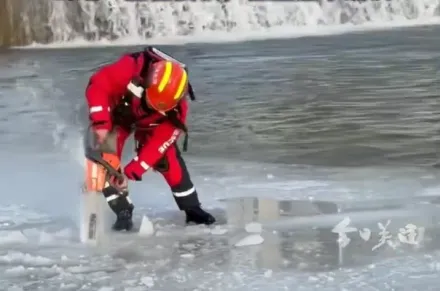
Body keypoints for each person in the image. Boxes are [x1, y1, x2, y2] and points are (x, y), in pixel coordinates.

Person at [84, 46, 216, 231]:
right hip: (117, 116)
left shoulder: (177, 112)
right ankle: (122, 211)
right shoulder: (129, 68)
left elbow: (159, 144)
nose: (150, 106)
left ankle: (192, 208)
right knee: (103, 160)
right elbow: (98, 85)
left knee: (166, 159)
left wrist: (132, 171)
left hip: (151, 125)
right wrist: (101, 124)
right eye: (149, 101)